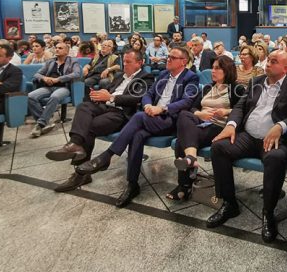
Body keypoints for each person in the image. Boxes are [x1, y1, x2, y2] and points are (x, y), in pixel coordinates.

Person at [75, 47, 199, 207]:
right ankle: (132, 184)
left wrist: (162, 108)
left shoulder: (191, 77)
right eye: (168, 56)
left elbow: (187, 102)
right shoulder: (163, 75)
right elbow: (148, 94)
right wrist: (148, 105)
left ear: (183, 61)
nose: (168, 59)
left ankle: (107, 156)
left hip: (170, 119)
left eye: (172, 57)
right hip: (152, 115)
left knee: (138, 116)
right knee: (137, 135)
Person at [208, 50, 287, 243]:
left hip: (275, 140)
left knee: (275, 158)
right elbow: (239, 107)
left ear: (286, 68)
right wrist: (231, 125)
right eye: (268, 60)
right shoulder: (256, 81)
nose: (267, 63)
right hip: (249, 136)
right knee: (219, 148)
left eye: (274, 61)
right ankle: (229, 203)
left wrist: (281, 125)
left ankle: (268, 213)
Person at [48, 50, 152, 191]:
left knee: (90, 127)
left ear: (139, 63)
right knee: (83, 106)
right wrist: (97, 95)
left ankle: (80, 174)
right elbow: (108, 89)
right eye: (124, 61)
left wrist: (110, 97)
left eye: (128, 62)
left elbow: (137, 98)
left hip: (121, 112)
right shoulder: (120, 75)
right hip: (105, 106)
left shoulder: (146, 77)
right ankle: (75, 143)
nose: (125, 64)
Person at [167, 56, 243, 201]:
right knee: (184, 114)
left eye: (217, 68)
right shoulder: (209, 87)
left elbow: (242, 110)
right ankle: (191, 159)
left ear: (227, 70)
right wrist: (199, 113)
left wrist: (226, 111)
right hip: (201, 122)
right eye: (212, 68)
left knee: (180, 142)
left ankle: (184, 186)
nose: (212, 71)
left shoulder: (236, 88)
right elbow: (192, 106)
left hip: (219, 126)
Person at [28, 43, 81, 137]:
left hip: (63, 87)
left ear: (66, 51)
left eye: (60, 48)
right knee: (30, 96)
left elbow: (77, 74)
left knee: (54, 97)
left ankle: (40, 124)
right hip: (48, 86)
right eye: (56, 48)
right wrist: (45, 78)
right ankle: (44, 122)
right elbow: (37, 74)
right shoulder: (50, 62)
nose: (57, 49)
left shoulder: (73, 61)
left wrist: (59, 79)